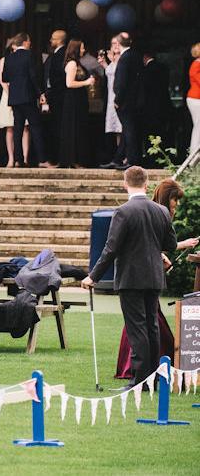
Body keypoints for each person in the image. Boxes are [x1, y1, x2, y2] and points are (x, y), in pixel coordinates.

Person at [82, 166, 178, 390]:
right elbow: (171, 244)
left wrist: (92, 276)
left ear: (125, 184)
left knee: (138, 329)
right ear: (147, 184)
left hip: (131, 278)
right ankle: (154, 378)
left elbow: (111, 248)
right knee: (151, 326)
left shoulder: (123, 211)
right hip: (154, 276)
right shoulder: (161, 211)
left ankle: (140, 380)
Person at [114, 179, 198, 380]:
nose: (176, 204)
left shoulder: (152, 210)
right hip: (145, 275)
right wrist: (169, 251)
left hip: (145, 275)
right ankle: (144, 371)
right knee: (146, 325)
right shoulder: (157, 212)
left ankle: (144, 372)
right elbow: (151, 244)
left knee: (145, 325)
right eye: (175, 200)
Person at [2, 33, 52, 168]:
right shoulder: (29, 55)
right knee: (35, 127)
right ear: (24, 42)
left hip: (14, 98)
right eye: (29, 41)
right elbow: (33, 75)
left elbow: (5, 77)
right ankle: (42, 160)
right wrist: (40, 93)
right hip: (28, 96)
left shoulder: (9, 57)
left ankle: (18, 159)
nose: (30, 43)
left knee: (17, 129)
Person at [59, 40, 95, 168]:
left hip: (78, 99)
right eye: (81, 48)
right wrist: (86, 82)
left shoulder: (77, 63)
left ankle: (78, 159)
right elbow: (69, 83)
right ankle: (73, 159)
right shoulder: (72, 64)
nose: (83, 50)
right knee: (74, 127)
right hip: (73, 99)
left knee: (78, 127)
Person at [112, 33, 145, 168]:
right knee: (128, 129)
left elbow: (122, 82)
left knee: (129, 129)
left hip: (125, 100)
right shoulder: (136, 55)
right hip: (135, 99)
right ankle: (118, 158)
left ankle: (132, 159)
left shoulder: (124, 58)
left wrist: (117, 99)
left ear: (119, 44)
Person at [0, 37, 29, 168]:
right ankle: (11, 158)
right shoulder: (4, 60)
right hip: (8, 94)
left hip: (20, 93)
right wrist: (10, 93)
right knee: (9, 127)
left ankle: (24, 158)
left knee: (25, 127)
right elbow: (2, 80)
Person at [99, 37, 125, 168]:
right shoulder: (114, 58)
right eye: (113, 43)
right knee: (116, 129)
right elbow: (111, 73)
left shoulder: (123, 58)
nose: (115, 46)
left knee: (122, 127)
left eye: (117, 43)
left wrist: (110, 61)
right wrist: (105, 64)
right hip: (111, 97)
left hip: (118, 96)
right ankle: (118, 155)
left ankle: (124, 156)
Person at [44, 29, 68, 166]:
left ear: (59, 40)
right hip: (57, 96)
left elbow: (55, 78)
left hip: (58, 97)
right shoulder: (59, 54)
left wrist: (50, 93)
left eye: (53, 39)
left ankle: (58, 157)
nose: (51, 41)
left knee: (57, 127)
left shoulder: (59, 55)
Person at [187, 42, 200, 158]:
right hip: (196, 99)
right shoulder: (196, 64)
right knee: (198, 126)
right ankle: (193, 156)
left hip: (196, 98)